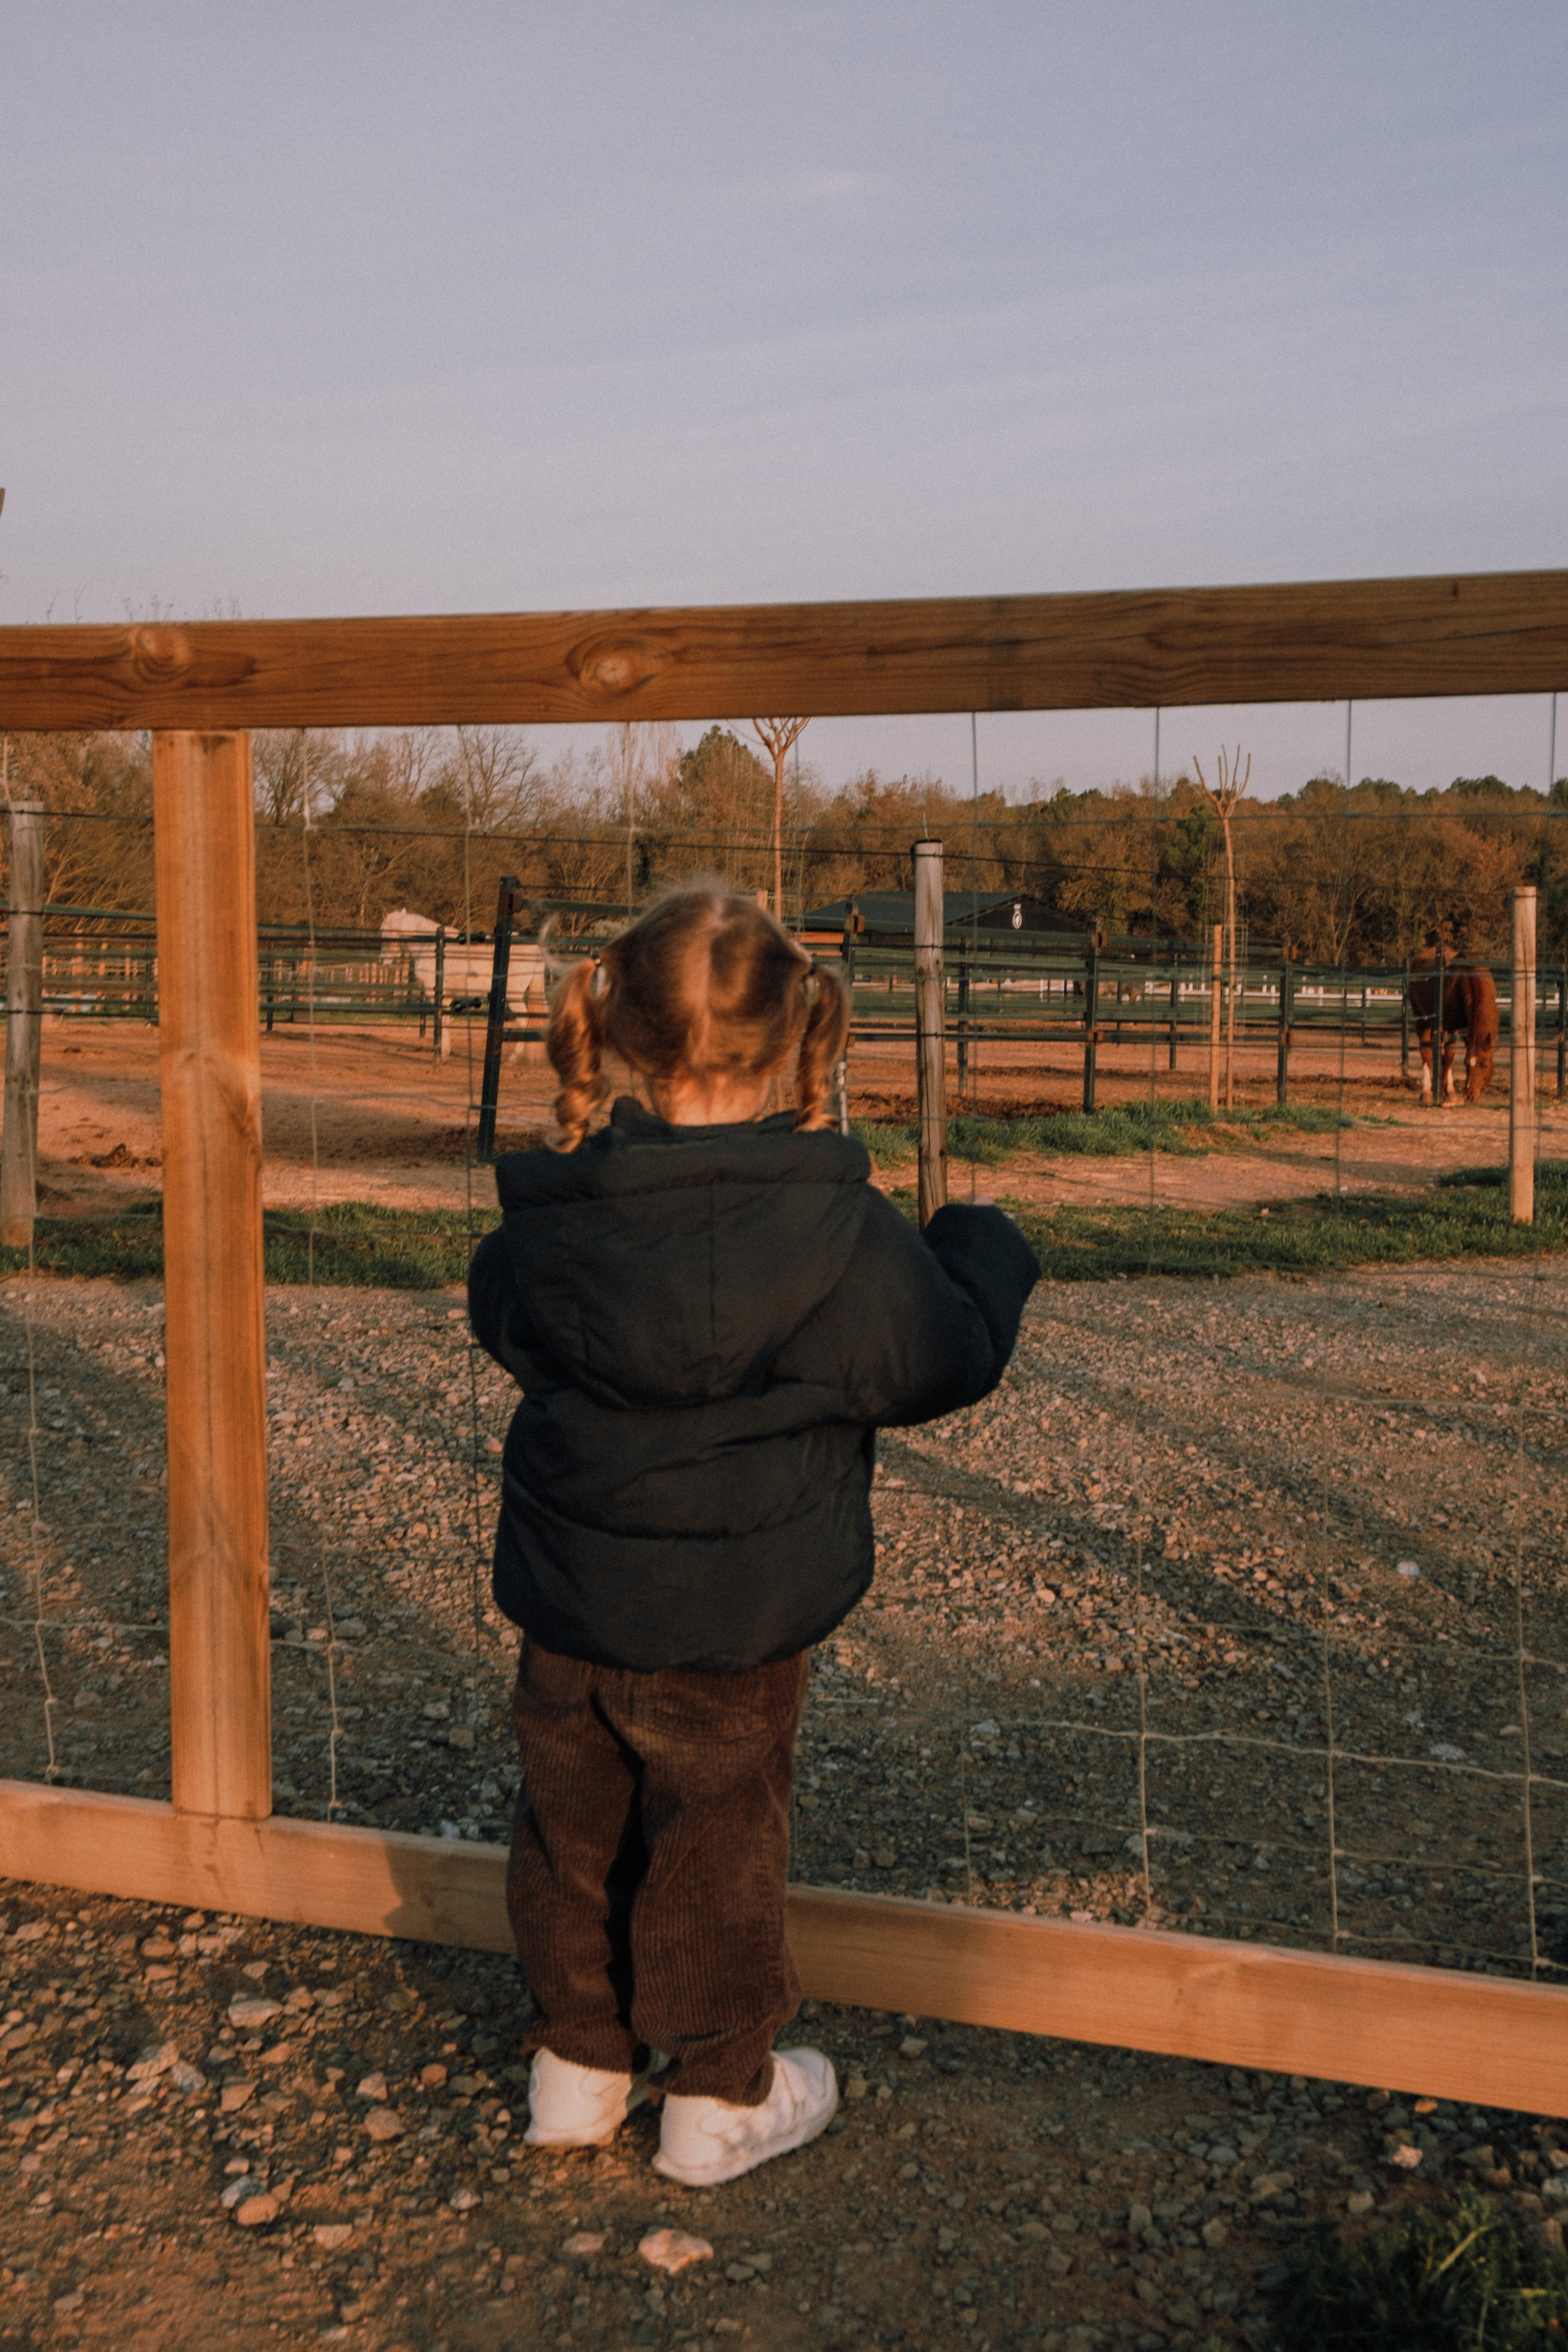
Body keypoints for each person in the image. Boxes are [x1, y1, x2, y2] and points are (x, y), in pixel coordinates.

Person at [467, 885, 1038, 2188]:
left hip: (569, 1598)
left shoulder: (553, 1214)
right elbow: (941, 1357)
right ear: (795, 1044)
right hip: (735, 1620)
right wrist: (980, 1248)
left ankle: (575, 2066)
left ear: (612, 1034)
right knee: (716, 1838)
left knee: (569, 1826)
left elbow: (500, 1320)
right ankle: (718, 2093)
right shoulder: (836, 1234)